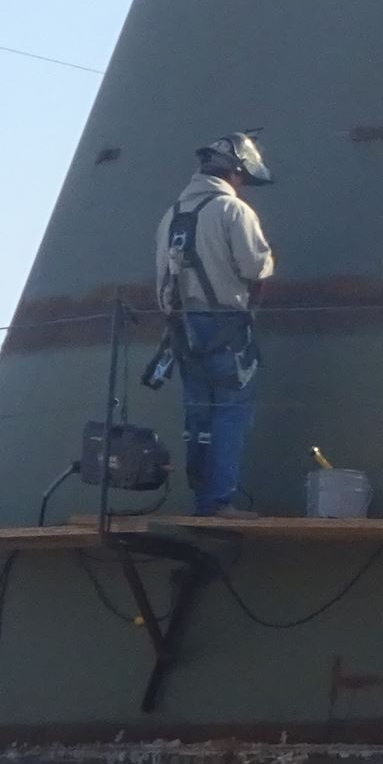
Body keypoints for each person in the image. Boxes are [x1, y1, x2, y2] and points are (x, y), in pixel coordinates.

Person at [154, 131, 276, 516]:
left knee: (198, 413)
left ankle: (201, 498)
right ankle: (217, 501)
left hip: (181, 328)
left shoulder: (170, 215)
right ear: (235, 172)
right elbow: (256, 267)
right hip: (224, 325)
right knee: (231, 409)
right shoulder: (232, 210)